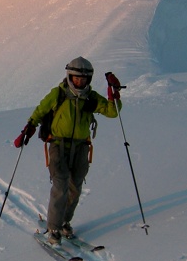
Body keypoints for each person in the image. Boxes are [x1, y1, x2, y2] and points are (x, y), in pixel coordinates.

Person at [14, 57, 123, 245]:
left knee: (75, 186)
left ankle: (65, 221)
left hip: (81, 147)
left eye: (83, 79)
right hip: (58, 144)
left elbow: (112, 112)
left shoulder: (91, 98)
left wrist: (114, 93)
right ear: (69, 77)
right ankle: (54, 229)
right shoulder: (58, 94)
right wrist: (28, 129)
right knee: (60, 184)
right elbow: (41, 110)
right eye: (76, 78)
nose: (79, 82)